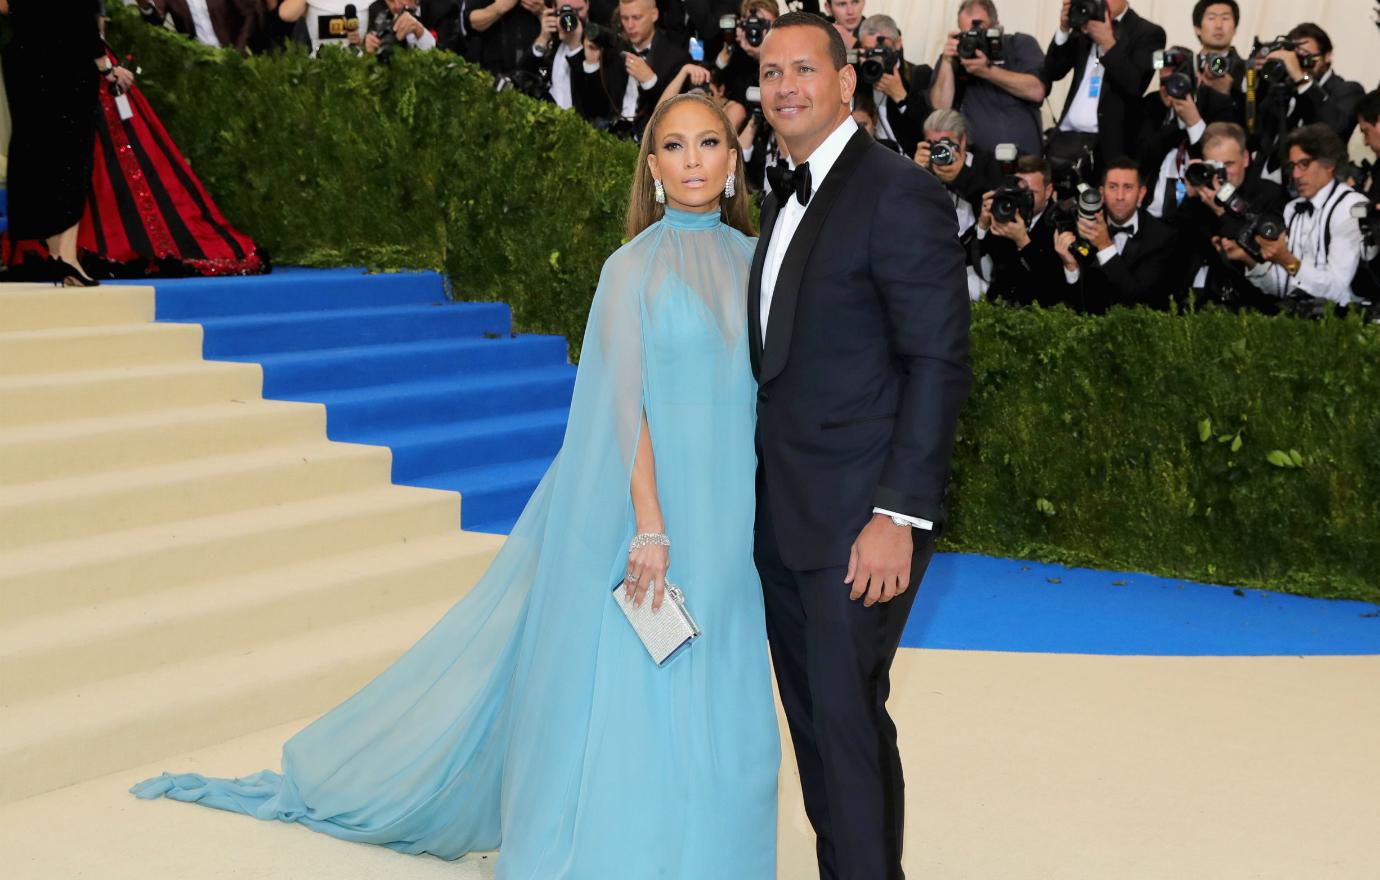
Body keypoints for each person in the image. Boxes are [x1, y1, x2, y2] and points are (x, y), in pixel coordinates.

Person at [131, 93, 780, 879]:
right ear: (651, 166)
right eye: (673, 146)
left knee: (727, 675)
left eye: (708, 142)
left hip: (733, 505)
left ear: (734, 157)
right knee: (644, 680)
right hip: (656, 507)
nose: (692, 160)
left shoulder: (756, 263)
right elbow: (621, 405)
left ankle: (717, 850)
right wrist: (649, 521)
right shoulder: (630, 268)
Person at [752, 13, 970, 880]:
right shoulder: (785, 190)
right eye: (770, 73)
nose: (785, 87)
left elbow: (937, 361)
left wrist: (897, 516)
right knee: (817, 728)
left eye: (804, 69)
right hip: (785, 520)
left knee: (846, 724)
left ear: (847, 83)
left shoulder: (896, 190)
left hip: (858, 523)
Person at [0, 0, 111, 287]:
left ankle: (58, 256)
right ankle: (66, 257)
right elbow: (82, 15)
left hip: (24, 59)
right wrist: (105, 66)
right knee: (71, 158)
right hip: (67, 63)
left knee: (37, 152)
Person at [1217, 123, 1368, 308]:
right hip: (1300, 320)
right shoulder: (1293, 208)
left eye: (1304, 164)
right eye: (1292, 166)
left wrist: (1287, 260)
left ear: (1328, 164)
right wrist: (1248, 260)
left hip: (1343, 325)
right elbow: (1282, 287)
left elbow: (1337, 290)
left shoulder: (1350, 206)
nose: (1295, 174)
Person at [1043, 0, 1166, 173]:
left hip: (1107, 147)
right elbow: (1052, 71)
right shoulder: (1085, 23)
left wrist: (1107, 42)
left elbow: (1135, 83)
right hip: (1065, 139)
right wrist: (1064, 29)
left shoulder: (1148, 32)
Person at [1175, 122, 1286, 310]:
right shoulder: (1202, 195)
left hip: (1251, 304)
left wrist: (1220, 210)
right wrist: (1190, 195)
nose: (1222, 174)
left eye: (1228, 164)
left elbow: (1260, 251)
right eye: (1215, 165)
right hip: (1205, 301)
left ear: (1245, 158)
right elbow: (1179, 249)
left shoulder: (1268, 194)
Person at [1056, 156, 1177, 311]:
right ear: (1102, 193)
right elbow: (1072, 304)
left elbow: (1139, 302)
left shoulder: (1161, 237)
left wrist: (1104, 245)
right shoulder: (1082, 225)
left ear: (1141, 193)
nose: (1120, 196)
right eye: (1113, 187)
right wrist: (1071, 267)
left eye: (1128, 187)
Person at [929, 0, 1047, 159]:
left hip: (1025, 164)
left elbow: (1037, 91)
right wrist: (947, 61)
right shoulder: (956, 57)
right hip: (979, 167)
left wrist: (988, 71)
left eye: (980, 32)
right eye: (968, 33)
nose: (974, 39)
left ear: (996, 27)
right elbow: (940, 107)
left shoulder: (1019, 44)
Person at [1137, 46, 1237, 222]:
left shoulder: (1218, 104)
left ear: (1197, 78)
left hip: (1199, 212)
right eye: (1165, 82)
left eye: (1177, 80)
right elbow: (1142, 157)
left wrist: (1194, 122)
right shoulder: (1152, 104)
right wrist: (1174, 120)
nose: (1172, 88)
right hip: (1149, 212)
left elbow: (1219, 161)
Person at [573, 0, 690, 138]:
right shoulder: (613, 51)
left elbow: (674, 117)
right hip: (609, 140)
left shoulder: (676, 58)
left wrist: (650, 82)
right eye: (625, 18)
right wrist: (592, 64)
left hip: (649, 142)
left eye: (637, 17)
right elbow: (595, 109)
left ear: (654, 15)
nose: (630, 25)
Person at [977, 155, 1072, 308]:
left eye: (1031, 193)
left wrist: (1023, 242)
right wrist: (982, 226)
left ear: (1048, 191)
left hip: (1038, 316)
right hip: (998, 310)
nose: (1023, 199)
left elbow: (1053, 288)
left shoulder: (1061, 222)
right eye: (1020, 192)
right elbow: (973, 260)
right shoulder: (1005, 210)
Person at [852, 15, 931, 159]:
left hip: (914, 162)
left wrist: (901, 97)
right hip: (873, 161)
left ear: (898, 44)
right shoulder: (856, 78)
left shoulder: (918, 75)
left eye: (881, 50)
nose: (876, 57)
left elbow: (930, 128)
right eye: (869, 51)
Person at [523, 0, 590, 108]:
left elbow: (593, 97)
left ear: (588, 5)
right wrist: (543, 39)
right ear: (554, 8)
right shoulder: (552, 40)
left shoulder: (598, 41)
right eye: (564, 11)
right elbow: (522, 75)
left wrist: (575, 46)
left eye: (578, 10)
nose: (570, 18)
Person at [134, 0, 264, 53]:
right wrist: (145, 5)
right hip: (198, 62)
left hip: (234, 54)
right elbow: (156, 21)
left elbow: (249, 14)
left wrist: (238, 51)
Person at [1190, 0, 1247, 121]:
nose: (1219, 25)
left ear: (1235, 28)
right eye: (1211, 18)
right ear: (1197, 29)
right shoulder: (1187, 65)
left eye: (1225, 18)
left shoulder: (1248, 70)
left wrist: (1229, 92)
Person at [364, 0, 460, 57]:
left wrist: (421, 33)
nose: (395, 6)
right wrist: (370, 45)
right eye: (390, 1)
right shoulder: (377, 8)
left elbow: (450, 59)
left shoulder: (444, 7)